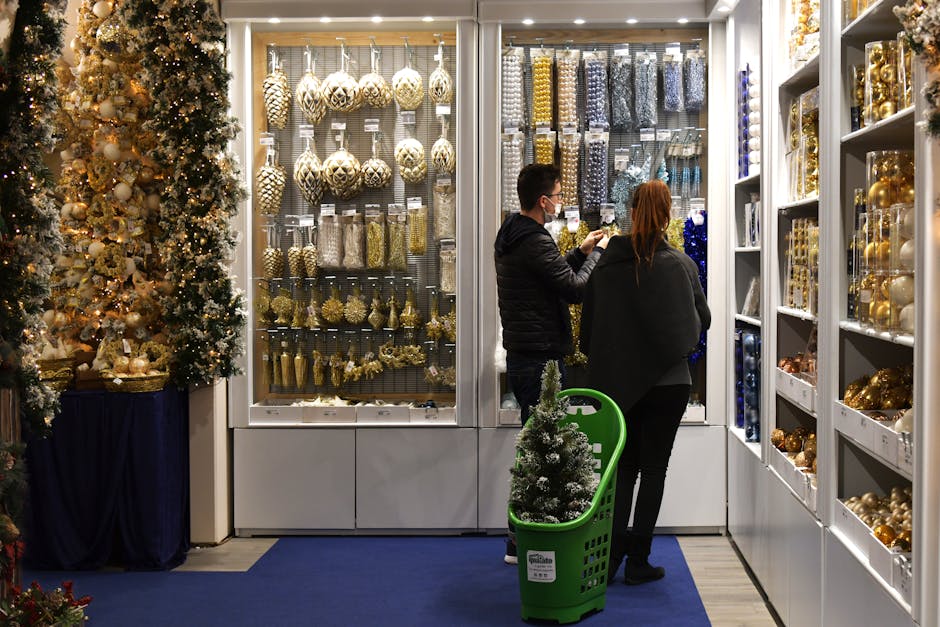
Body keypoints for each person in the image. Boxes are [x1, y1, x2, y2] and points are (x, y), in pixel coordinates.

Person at [580, 179, 711, 585]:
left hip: (621, 384)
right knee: (654, 470)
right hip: (670, 384)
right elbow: (701, 321)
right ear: (668, 214)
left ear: (631, 212)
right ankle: (638, 560)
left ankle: (611, 556)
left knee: (623, 469)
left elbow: (589, 331)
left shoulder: (606, 266)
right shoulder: (681, 265)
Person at [495, 163, 608, 564]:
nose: (561, 203)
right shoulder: (535, 241)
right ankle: (524, 541)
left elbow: (551, 276)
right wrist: (599, 258)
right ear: (543, 201)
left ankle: (523, 536)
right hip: (541, 357)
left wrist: (580, 251)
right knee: (540, 452)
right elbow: (574, 290)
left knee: (535, 445)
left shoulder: (513, 236)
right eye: (559, 197)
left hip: (525, 353)